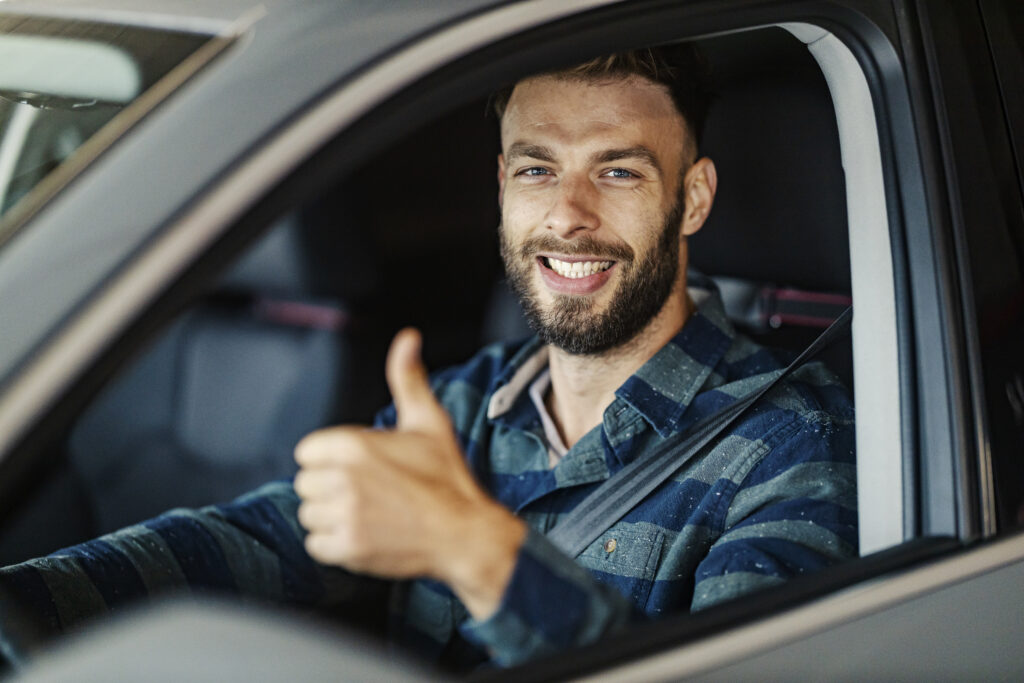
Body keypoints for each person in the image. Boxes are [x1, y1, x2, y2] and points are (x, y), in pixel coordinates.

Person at [0, 45, 856, 671]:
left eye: (620, 173)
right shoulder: (463, 404)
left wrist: (475, 552)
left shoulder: (796, 446)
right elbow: (248, 540)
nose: (569, 214)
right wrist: (24, 600)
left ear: (693, 197)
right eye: (536, 169)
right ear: (501, 186)